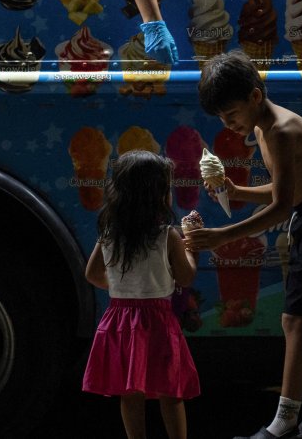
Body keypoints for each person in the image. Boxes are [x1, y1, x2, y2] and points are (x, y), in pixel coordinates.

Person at [187, 50, 302, 439]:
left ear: (254, 96)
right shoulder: (264, 128)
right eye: (220, 118)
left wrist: (220, 237)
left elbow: (282, 205)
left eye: (230, 113)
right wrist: (235, 190)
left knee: (294, 320)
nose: (227, 124)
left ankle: (283, 423)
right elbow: (289, 188)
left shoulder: (279, 130)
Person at [82, 150, 201, 439]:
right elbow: (185, 277)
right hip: (158, 321)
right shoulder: (167, 235)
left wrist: (125, 288)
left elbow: (92, 274)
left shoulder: (109, 232)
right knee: (170, 391)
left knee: (130, 391)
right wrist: (192, 244)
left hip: (120, 320)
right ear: (157, 195)